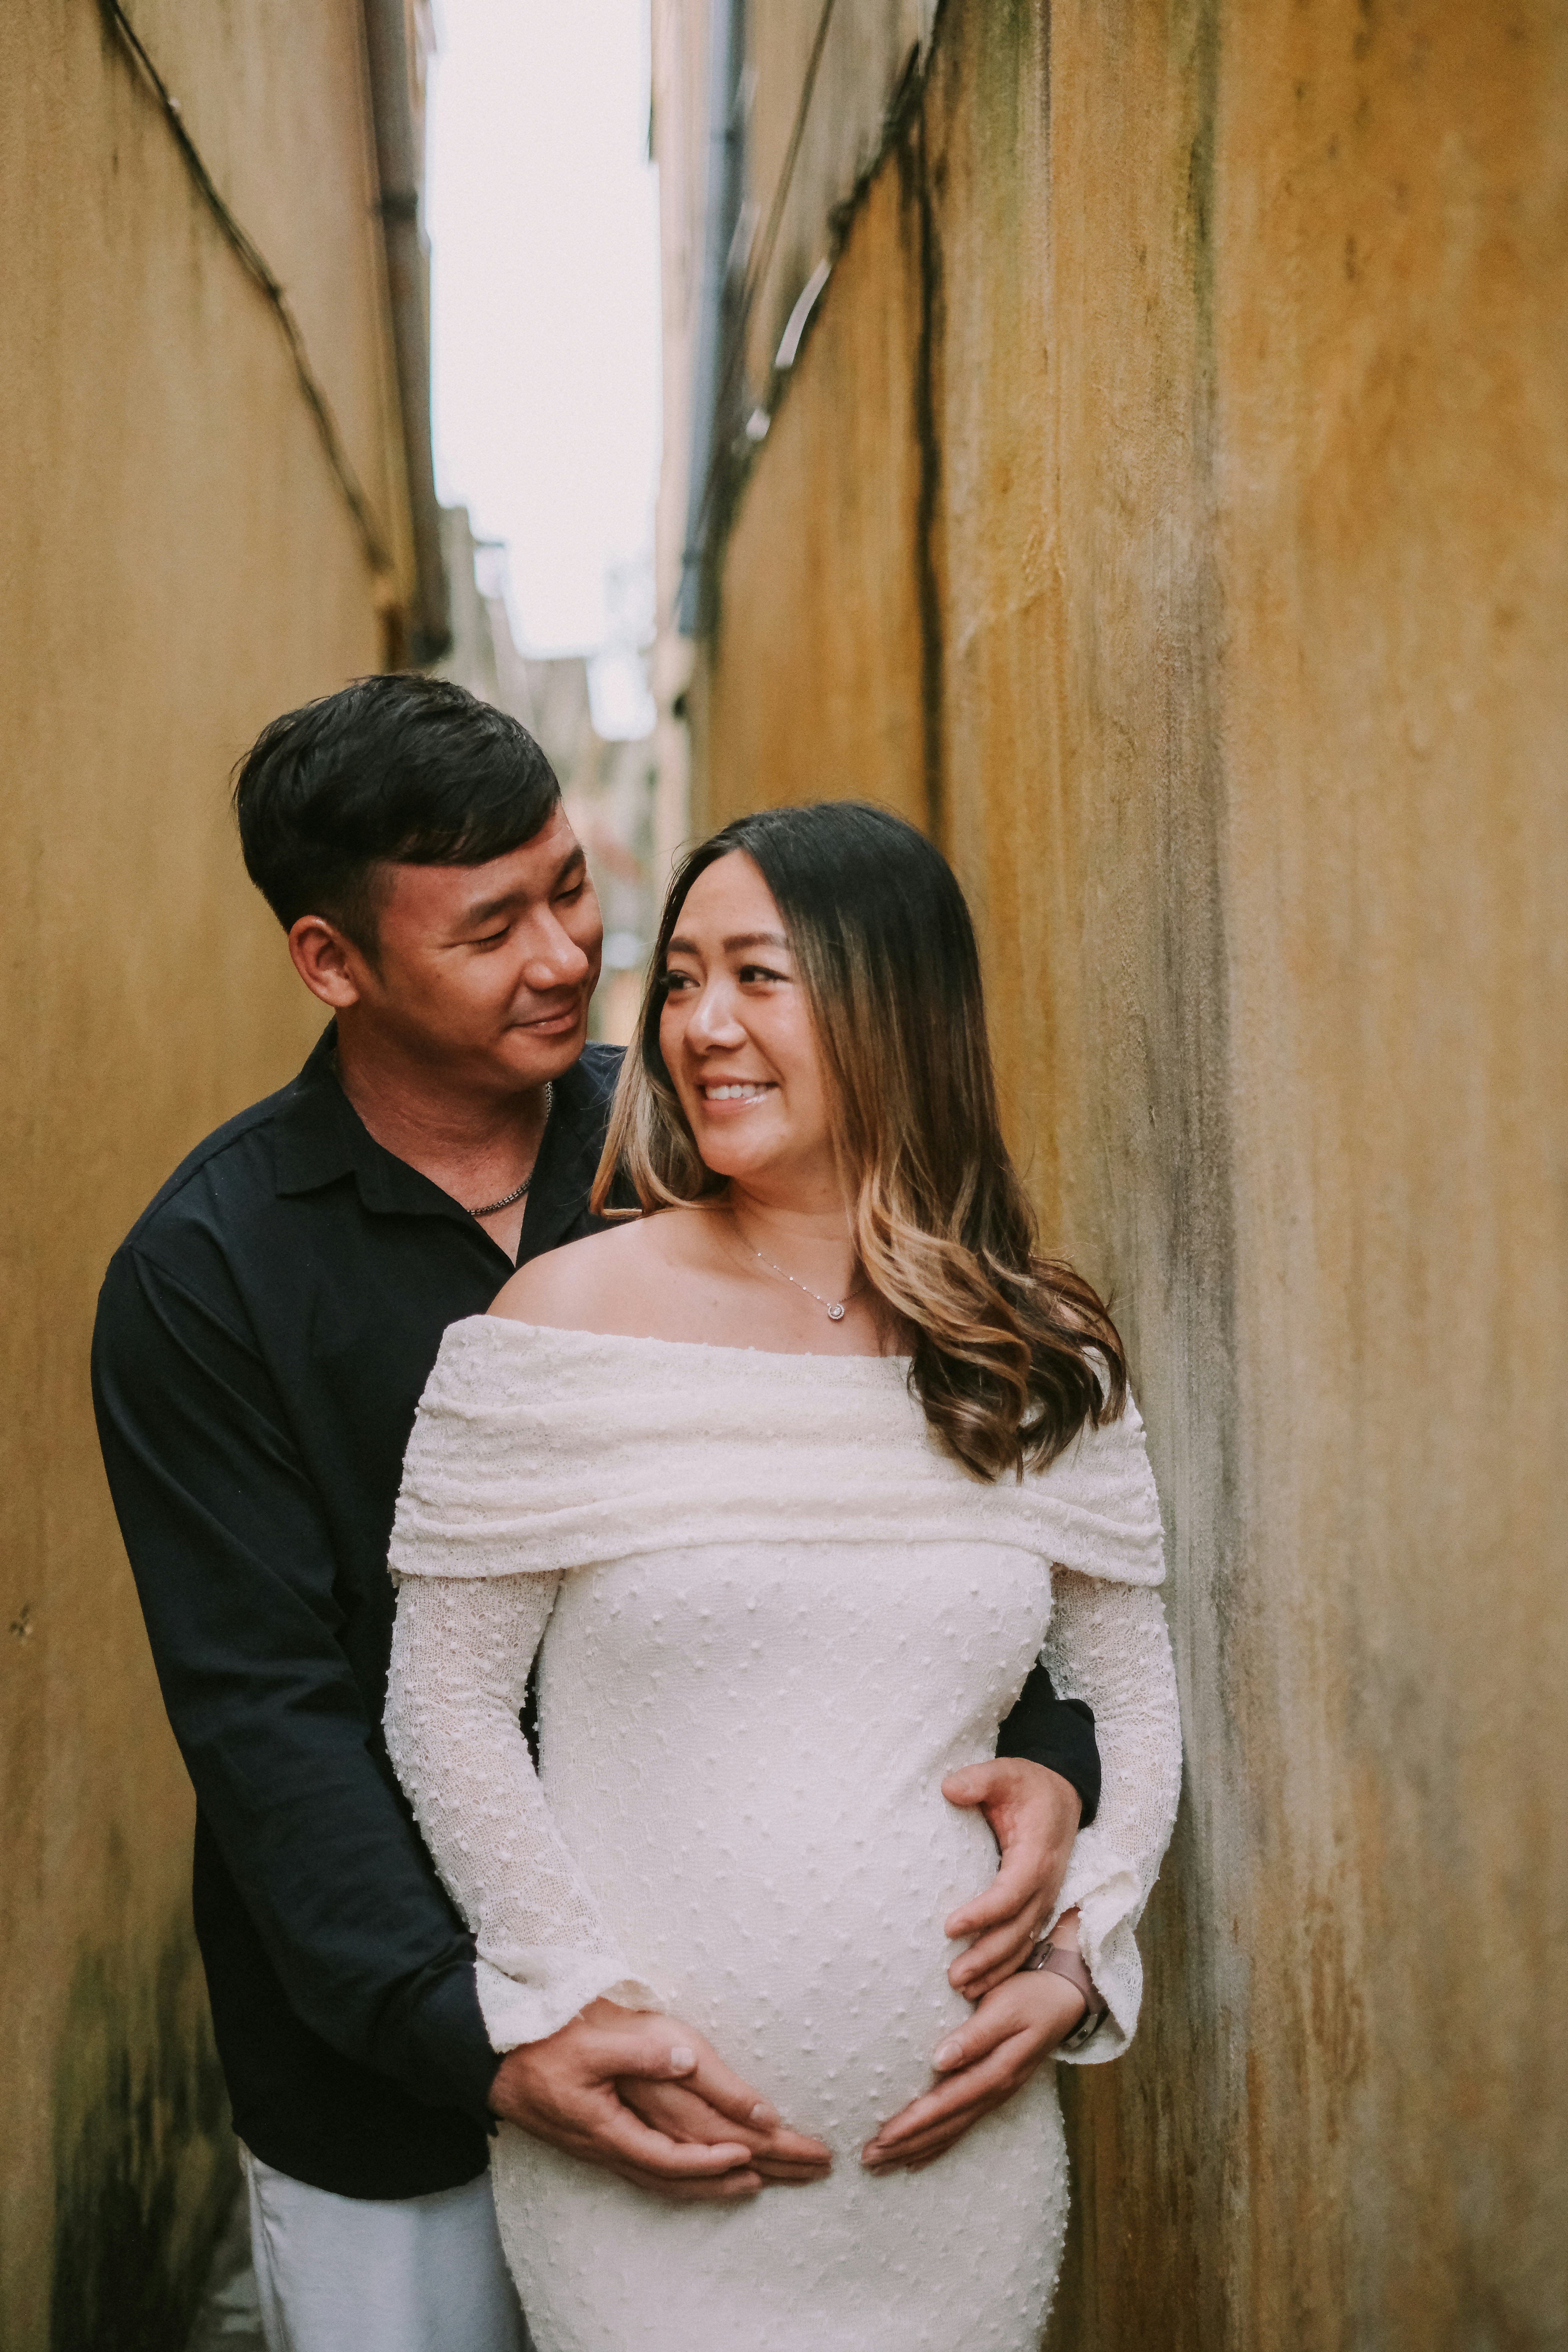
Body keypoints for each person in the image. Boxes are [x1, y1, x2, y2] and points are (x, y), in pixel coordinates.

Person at [91, 679, 1105, 2352]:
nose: (567, 956)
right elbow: (267, 1714)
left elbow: (948, 1496)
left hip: (769, 2076)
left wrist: (1057, 1764)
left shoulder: (721, 1137)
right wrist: (482, 2030)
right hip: (393, 2083)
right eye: (491, 929)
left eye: (571, 889)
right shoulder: (209, 1276)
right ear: (333, 962)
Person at [383, 800, 1184, 2352]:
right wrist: (575, 2000)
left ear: (897, 1007)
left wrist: (1087, 1957)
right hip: (650, 2153)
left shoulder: (1040, 1356)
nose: (700, 1027)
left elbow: (1132, 1695)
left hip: (953, 2158)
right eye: (680, 981)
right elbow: (446, 1705)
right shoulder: (560, 1323)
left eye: (758, 976)